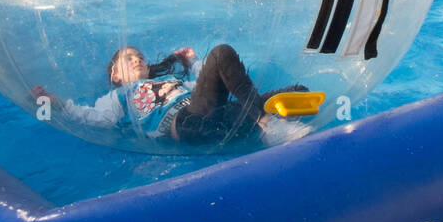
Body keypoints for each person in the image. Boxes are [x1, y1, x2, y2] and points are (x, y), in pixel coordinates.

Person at [32, 44, 310, 148]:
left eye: (139, 56)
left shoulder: (172, 80)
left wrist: (193, 62)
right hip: (185, 124)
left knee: (297, 93)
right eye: (127, 59)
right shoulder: (120, 97)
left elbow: (217, 84)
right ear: (115, 76)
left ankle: (263, 122)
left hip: (213, 115)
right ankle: (267, 123)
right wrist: (57, 104)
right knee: (222, 53)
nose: (136, 60)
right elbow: (94, 118)